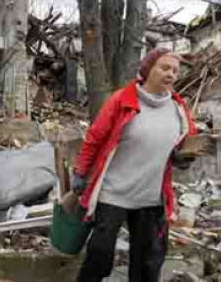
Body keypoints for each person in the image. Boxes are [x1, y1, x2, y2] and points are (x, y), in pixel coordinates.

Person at [71, 48, 197, 282]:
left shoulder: (179, 110)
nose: (171, 74)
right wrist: (80, 171)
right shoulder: (122, 100)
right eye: (165, 67)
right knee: (99, 255)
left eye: (175, 70)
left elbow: (183, 147)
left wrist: (181, 159)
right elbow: (94, 138)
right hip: (113, 193)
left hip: (151, 197)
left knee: (148, 264)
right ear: (148, 69)